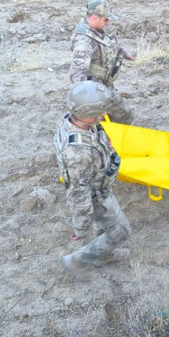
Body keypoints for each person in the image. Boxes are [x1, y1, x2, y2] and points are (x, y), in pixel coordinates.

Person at [55, 81, 132, 279]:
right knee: (121, 231)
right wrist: (80, 225)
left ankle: (103, 256)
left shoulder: (74, 120)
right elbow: (78, 191)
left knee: (103, 224)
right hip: (97, 195)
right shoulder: (79, 152)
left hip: (99, 185)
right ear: (92, 112)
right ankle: (78, 260)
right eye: (102, 110)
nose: (105, 114)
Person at [70, 0, 135, 124]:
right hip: (94, 90)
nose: (108, 22)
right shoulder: (83, 43)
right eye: (106, 19)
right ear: (94, 18)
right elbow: (77, 77)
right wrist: (92, 105)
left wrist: (123, 53)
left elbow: (107, 43)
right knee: (124, 114)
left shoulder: (94, 29)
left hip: (103, 85)